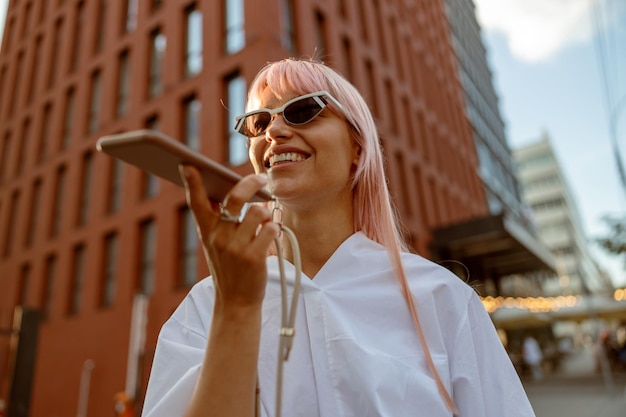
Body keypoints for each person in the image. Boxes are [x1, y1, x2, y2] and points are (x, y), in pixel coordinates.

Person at [141, 57, 536, 417]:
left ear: (357, 148)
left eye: (303, 110)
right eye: (258, 122)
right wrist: (237, 310)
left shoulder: (441, 298)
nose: (275, 130)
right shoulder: (205, 307)